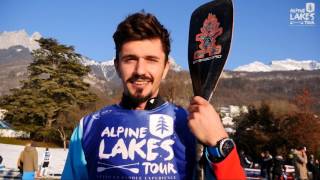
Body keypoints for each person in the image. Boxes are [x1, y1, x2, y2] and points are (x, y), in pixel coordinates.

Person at [62, 12, 245, 179]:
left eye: (151, 60)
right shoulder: (89, 127)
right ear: (117, 66)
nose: (140, 70)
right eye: (130, 59)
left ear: (165, 68)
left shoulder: (191, 125)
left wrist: (220, 142)